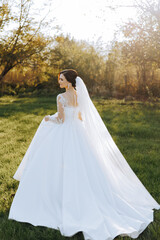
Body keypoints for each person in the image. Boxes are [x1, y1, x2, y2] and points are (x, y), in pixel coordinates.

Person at [8, 69, 160, 240]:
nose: (59, 82)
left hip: (66, 132)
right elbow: (81, 116)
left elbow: (61, 120)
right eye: (60, 79)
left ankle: (54, 199)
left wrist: (48, 118)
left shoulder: (61, 97)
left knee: (56, 164)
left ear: (70, 82)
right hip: (79, 132)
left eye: (62, 79)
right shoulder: (80, 96)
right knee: (85, 165)